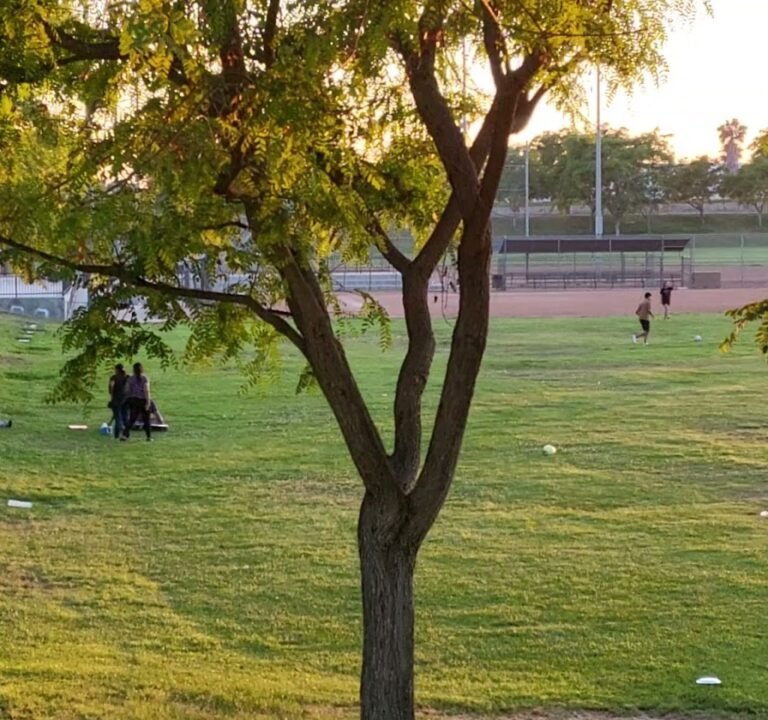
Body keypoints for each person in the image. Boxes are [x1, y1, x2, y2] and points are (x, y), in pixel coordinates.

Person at [121, 362, 152, 441]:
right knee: (146, 420)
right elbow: (146, 391)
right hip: (142, 400)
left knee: (132, 419)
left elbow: (127, 390)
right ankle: (148, 436)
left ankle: (125, 435)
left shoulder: (131, 378)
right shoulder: (144, 378)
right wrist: (148, 402)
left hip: (134, 400)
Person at [108, 363, 128, 440]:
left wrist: (112, 397)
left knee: (118, 418)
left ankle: (117, 435)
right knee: (125, 417)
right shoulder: (127, 377)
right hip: (126, 400)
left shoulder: (114, 377)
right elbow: (128, 388)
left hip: (116, 400)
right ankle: (125, 434)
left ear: (116, 370)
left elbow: (112, 386)